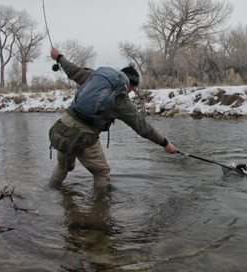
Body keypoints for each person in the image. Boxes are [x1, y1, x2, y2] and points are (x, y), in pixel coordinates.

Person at [48, 47, 176, 189]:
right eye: (133, 88)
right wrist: (164, 143)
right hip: (83, 135)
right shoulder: (121, 100)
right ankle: (101, 208)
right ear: (131, 86)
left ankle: (48, 194)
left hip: (64, 126)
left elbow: (71, 70)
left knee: (64, 165)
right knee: (102, 173)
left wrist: (59, 57)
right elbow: (142, 127)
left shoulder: (94, 76)